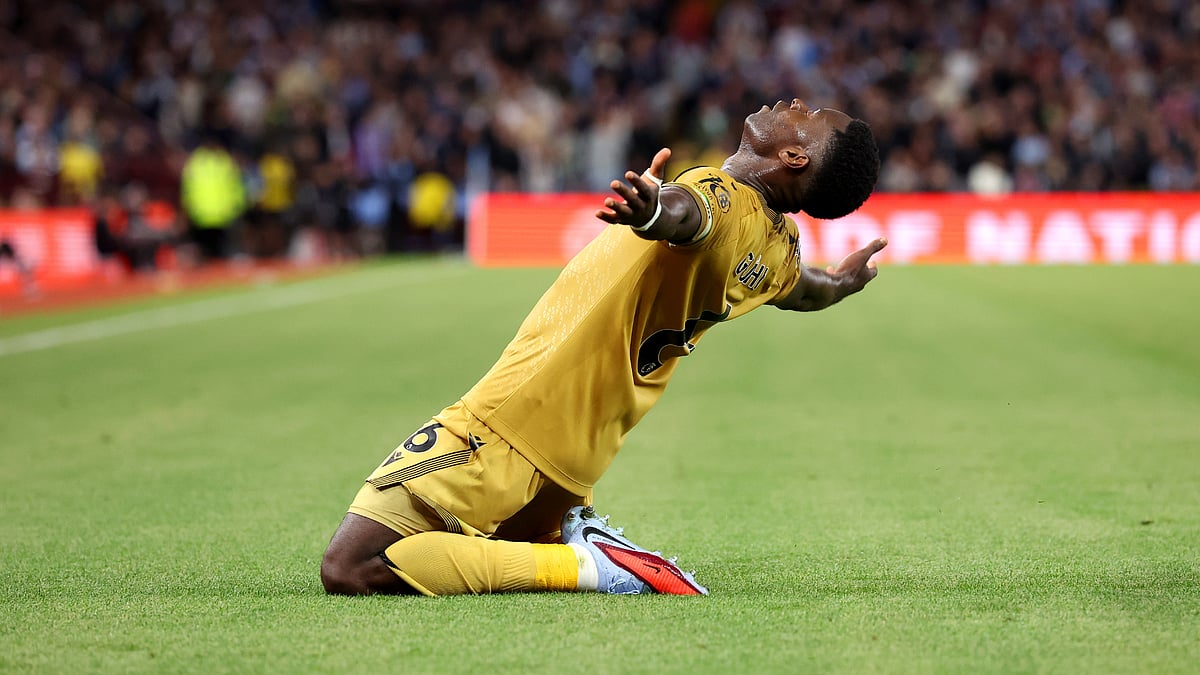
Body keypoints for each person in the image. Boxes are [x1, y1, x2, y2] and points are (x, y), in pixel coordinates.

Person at [321, 98, 885, 597]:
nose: (793, 103)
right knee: (485, 546)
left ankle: (591, 567)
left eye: (808, 117)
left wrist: (653, 212)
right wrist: (844, 283)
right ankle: (581, 546)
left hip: (513, 420)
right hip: (582, 452)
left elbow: (687, 217)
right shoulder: (779, 248)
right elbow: (810, 292)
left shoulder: (721, 194)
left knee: (350, 566)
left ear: (794, 158)